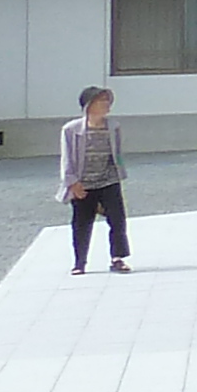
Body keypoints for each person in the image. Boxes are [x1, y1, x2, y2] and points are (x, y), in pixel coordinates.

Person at [56, 86, 131, 274]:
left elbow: (118, 153)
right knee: (82, 223)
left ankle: (117, 257)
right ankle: (79, 262)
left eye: (107, 101)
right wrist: (72, 182)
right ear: (89, 106)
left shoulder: (113, 126)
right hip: (83, 183)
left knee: (118, 220)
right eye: (101, 101)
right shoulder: (71, 130)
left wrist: (120, 170)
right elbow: (66, 158)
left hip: (109, 180)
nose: (106, 105)